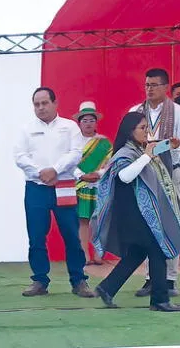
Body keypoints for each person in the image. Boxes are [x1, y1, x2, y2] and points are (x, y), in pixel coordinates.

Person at [92, 112, 180, 311]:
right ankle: (160, 300)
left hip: (139, 215)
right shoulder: (125, 153)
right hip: (134, 215)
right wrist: (148, 156)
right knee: (157, 248)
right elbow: (125, 176)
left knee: (137, 253)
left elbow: (155, 149)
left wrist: (170, 145)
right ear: (130, 131)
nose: (146, 132)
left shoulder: (138, 150)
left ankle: (107, 287)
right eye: (142, 128)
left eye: (146, 127)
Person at [13, 87, 95, 298]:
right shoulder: (26, 128)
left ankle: (79, 281)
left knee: (71, 235)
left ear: (55, 103)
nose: (40, 108)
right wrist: (40, 173)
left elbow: (76, 154)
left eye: (44, 103)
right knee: (37, 236)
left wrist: (55, 170)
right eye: (36, 104)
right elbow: (20, 157)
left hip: (64, 185)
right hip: (36, 187)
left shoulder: (69, 127)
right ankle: (40, 280)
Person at [130, 68, 180, 297]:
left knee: (171, 224)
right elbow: (129, 142)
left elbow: (177, 145)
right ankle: (151, 278)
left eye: (154, 85)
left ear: (165, 87)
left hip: (173, 173)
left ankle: (169, 279)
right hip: (145, 173)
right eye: (147, 85)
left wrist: (172, 147)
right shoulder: (135, 112)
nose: (149, 89)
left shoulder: (178, 113)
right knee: (149, 224)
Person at [72, 101, 112, 265]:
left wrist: (98, 174)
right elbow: (68, 163)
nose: (88, 123)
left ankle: (98, 254)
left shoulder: (104, 142)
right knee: (82, 220)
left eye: (91, 120)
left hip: (99, 186)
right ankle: (84, 255)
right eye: (85, 120)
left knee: (98, 220)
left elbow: (110, 164)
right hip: (80, 186)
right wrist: (82, 175)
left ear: (96, 122)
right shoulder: (72, 142)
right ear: (79, 122)